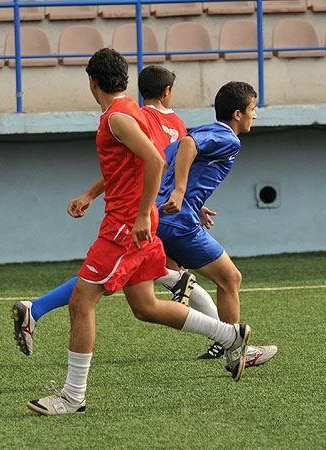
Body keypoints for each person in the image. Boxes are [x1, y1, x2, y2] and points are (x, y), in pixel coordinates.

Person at [26, 49, 251, 416]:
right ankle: (229, 334)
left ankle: (72, 396)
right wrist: (97, 196)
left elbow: (156, 160)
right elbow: (146, 161)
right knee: (145, 307)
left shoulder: (117, 116)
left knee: (83, 300)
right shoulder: (130, 110)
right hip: (135, 221)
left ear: (92, 82)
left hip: (124, 225)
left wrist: (144, 213)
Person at [157, 81, 276, 362]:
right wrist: (181, 192)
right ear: (238, 114)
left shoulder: (205, 130)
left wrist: (193, 202)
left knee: (115, 282)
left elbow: (168, 161)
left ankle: (179, 283)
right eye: (252, 109)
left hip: (163, 217)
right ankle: (234, 351)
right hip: (179, 225)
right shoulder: (228, 139)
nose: (255, 114)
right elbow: (188, 146)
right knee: (230, 278)